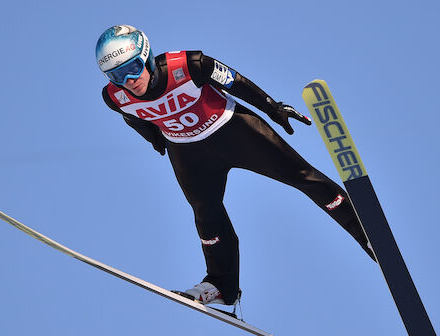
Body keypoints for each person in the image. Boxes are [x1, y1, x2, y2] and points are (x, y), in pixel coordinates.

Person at [96, 25, 375, 306]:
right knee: (206, 216)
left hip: (234, 131)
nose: (128, 80)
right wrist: (156, 140)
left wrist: (273, 108)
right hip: (188, 152)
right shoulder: (114, 96)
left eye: (132, 68)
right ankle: (220, 285)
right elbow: (133, 117)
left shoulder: (189, 65)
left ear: (146, 56)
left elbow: (235, 81)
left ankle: (368, 236)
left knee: (302, 176)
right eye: (116, 75)